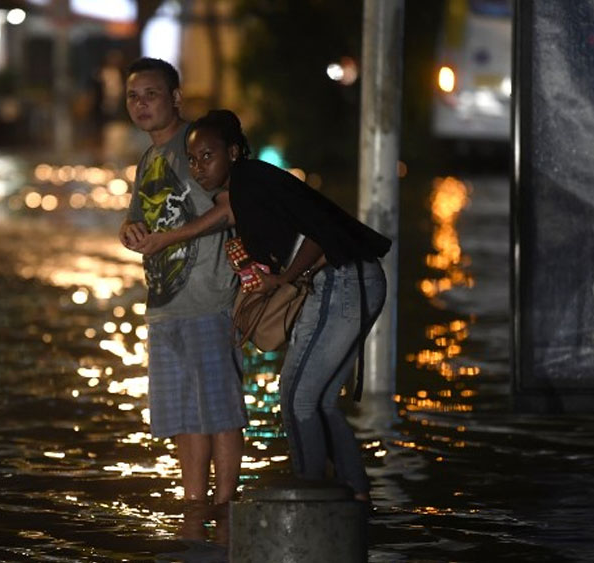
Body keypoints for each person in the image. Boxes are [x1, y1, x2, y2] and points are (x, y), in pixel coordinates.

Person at [155, 108, 391, 503]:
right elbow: (295, 237)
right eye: (193, 159)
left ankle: (311, 500)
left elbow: (317, 235)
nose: (198, 167)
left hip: (343, 279)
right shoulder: (251, 187)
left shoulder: (252, 183)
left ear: (232, 152)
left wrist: (283, 279)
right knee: (318, 400)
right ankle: (356, 498)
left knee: (296, 397)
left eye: (207, 156)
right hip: (353, 279)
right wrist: (260, 268)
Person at [118, 58, 246, 508]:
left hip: (210, 298)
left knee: (220, 411)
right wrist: (128, 229)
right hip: (164, 304)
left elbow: (232, 207)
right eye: (133, 96)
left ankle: (225, 509)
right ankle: (194, 508)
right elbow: (139, 213)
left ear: (175, 97)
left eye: (151, 94)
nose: (141, 104)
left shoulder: (199, 143)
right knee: (182, 418)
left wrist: (172, 237)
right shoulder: (149, 157)